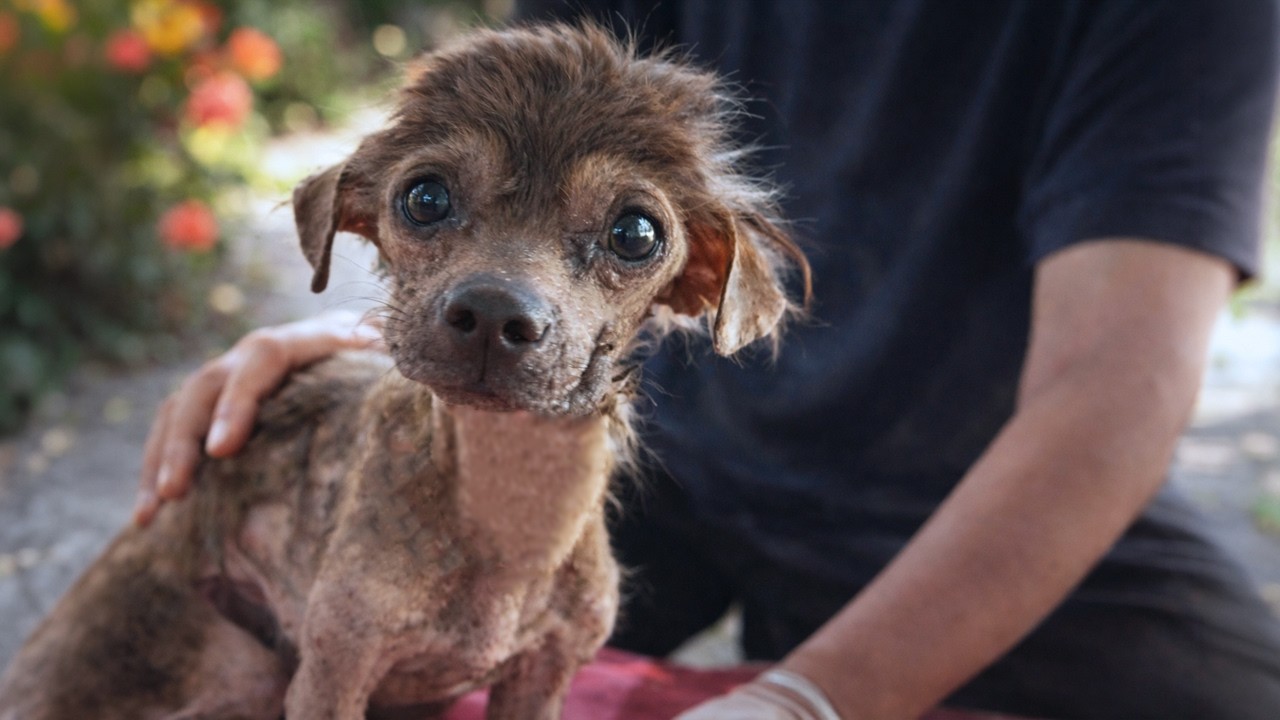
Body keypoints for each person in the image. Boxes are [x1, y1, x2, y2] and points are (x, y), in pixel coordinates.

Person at [133, 2, 1280, 718]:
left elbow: (1113, 384)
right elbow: (500, 190)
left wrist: (806, 698)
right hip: (628, 444)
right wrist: (359, 347)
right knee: (277, 611)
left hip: (972, 489)